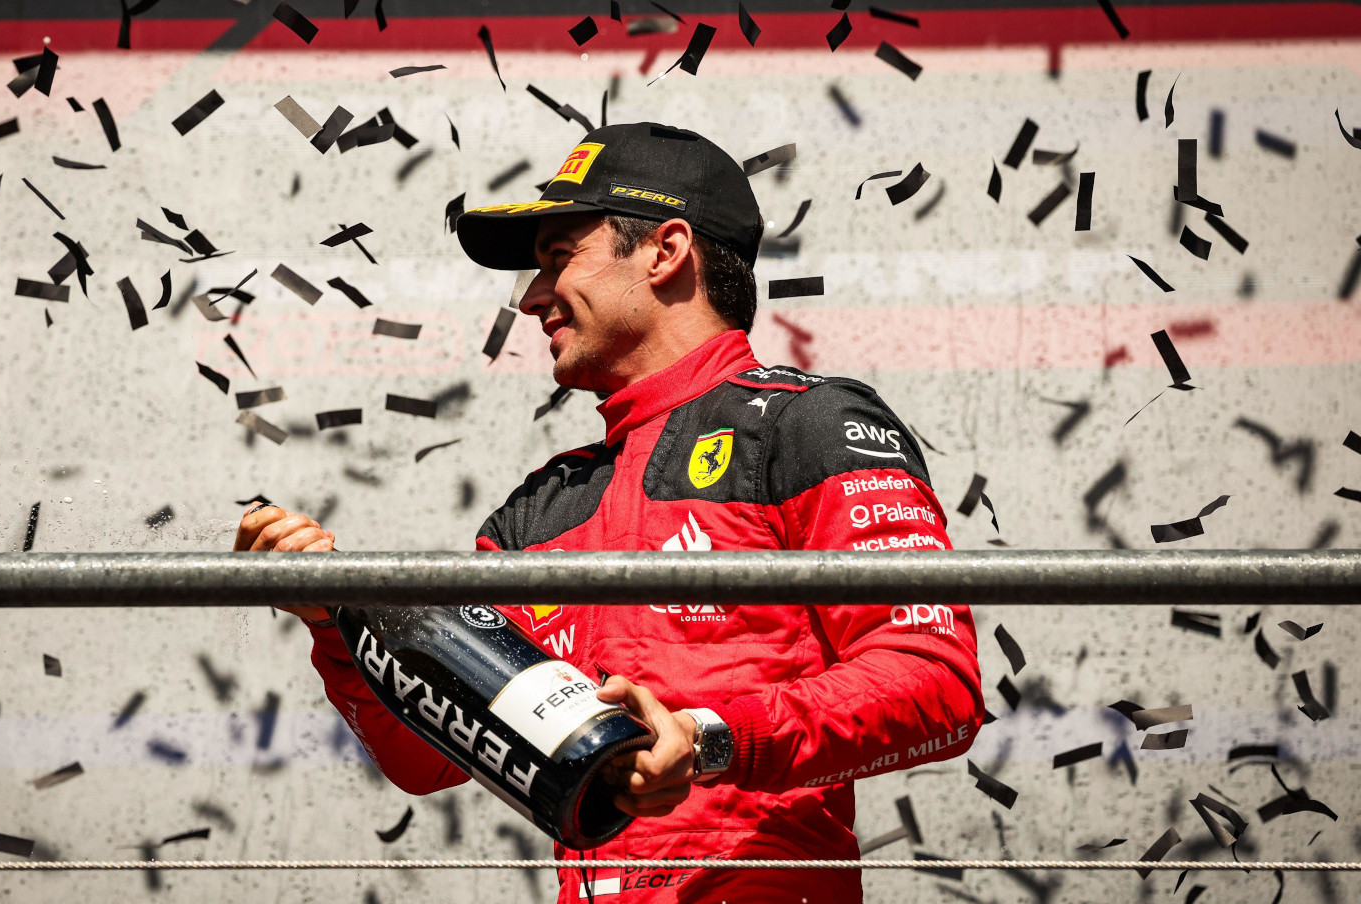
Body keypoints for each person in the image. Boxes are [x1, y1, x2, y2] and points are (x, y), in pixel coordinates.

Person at [236, 122, 984, 903]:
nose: (529, 298)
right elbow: (428, 760)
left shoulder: (809, 426)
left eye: (558, 259)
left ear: (665, 252)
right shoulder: (541, 508)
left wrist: (709, 741)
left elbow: (938, 685)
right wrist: (334, 620)